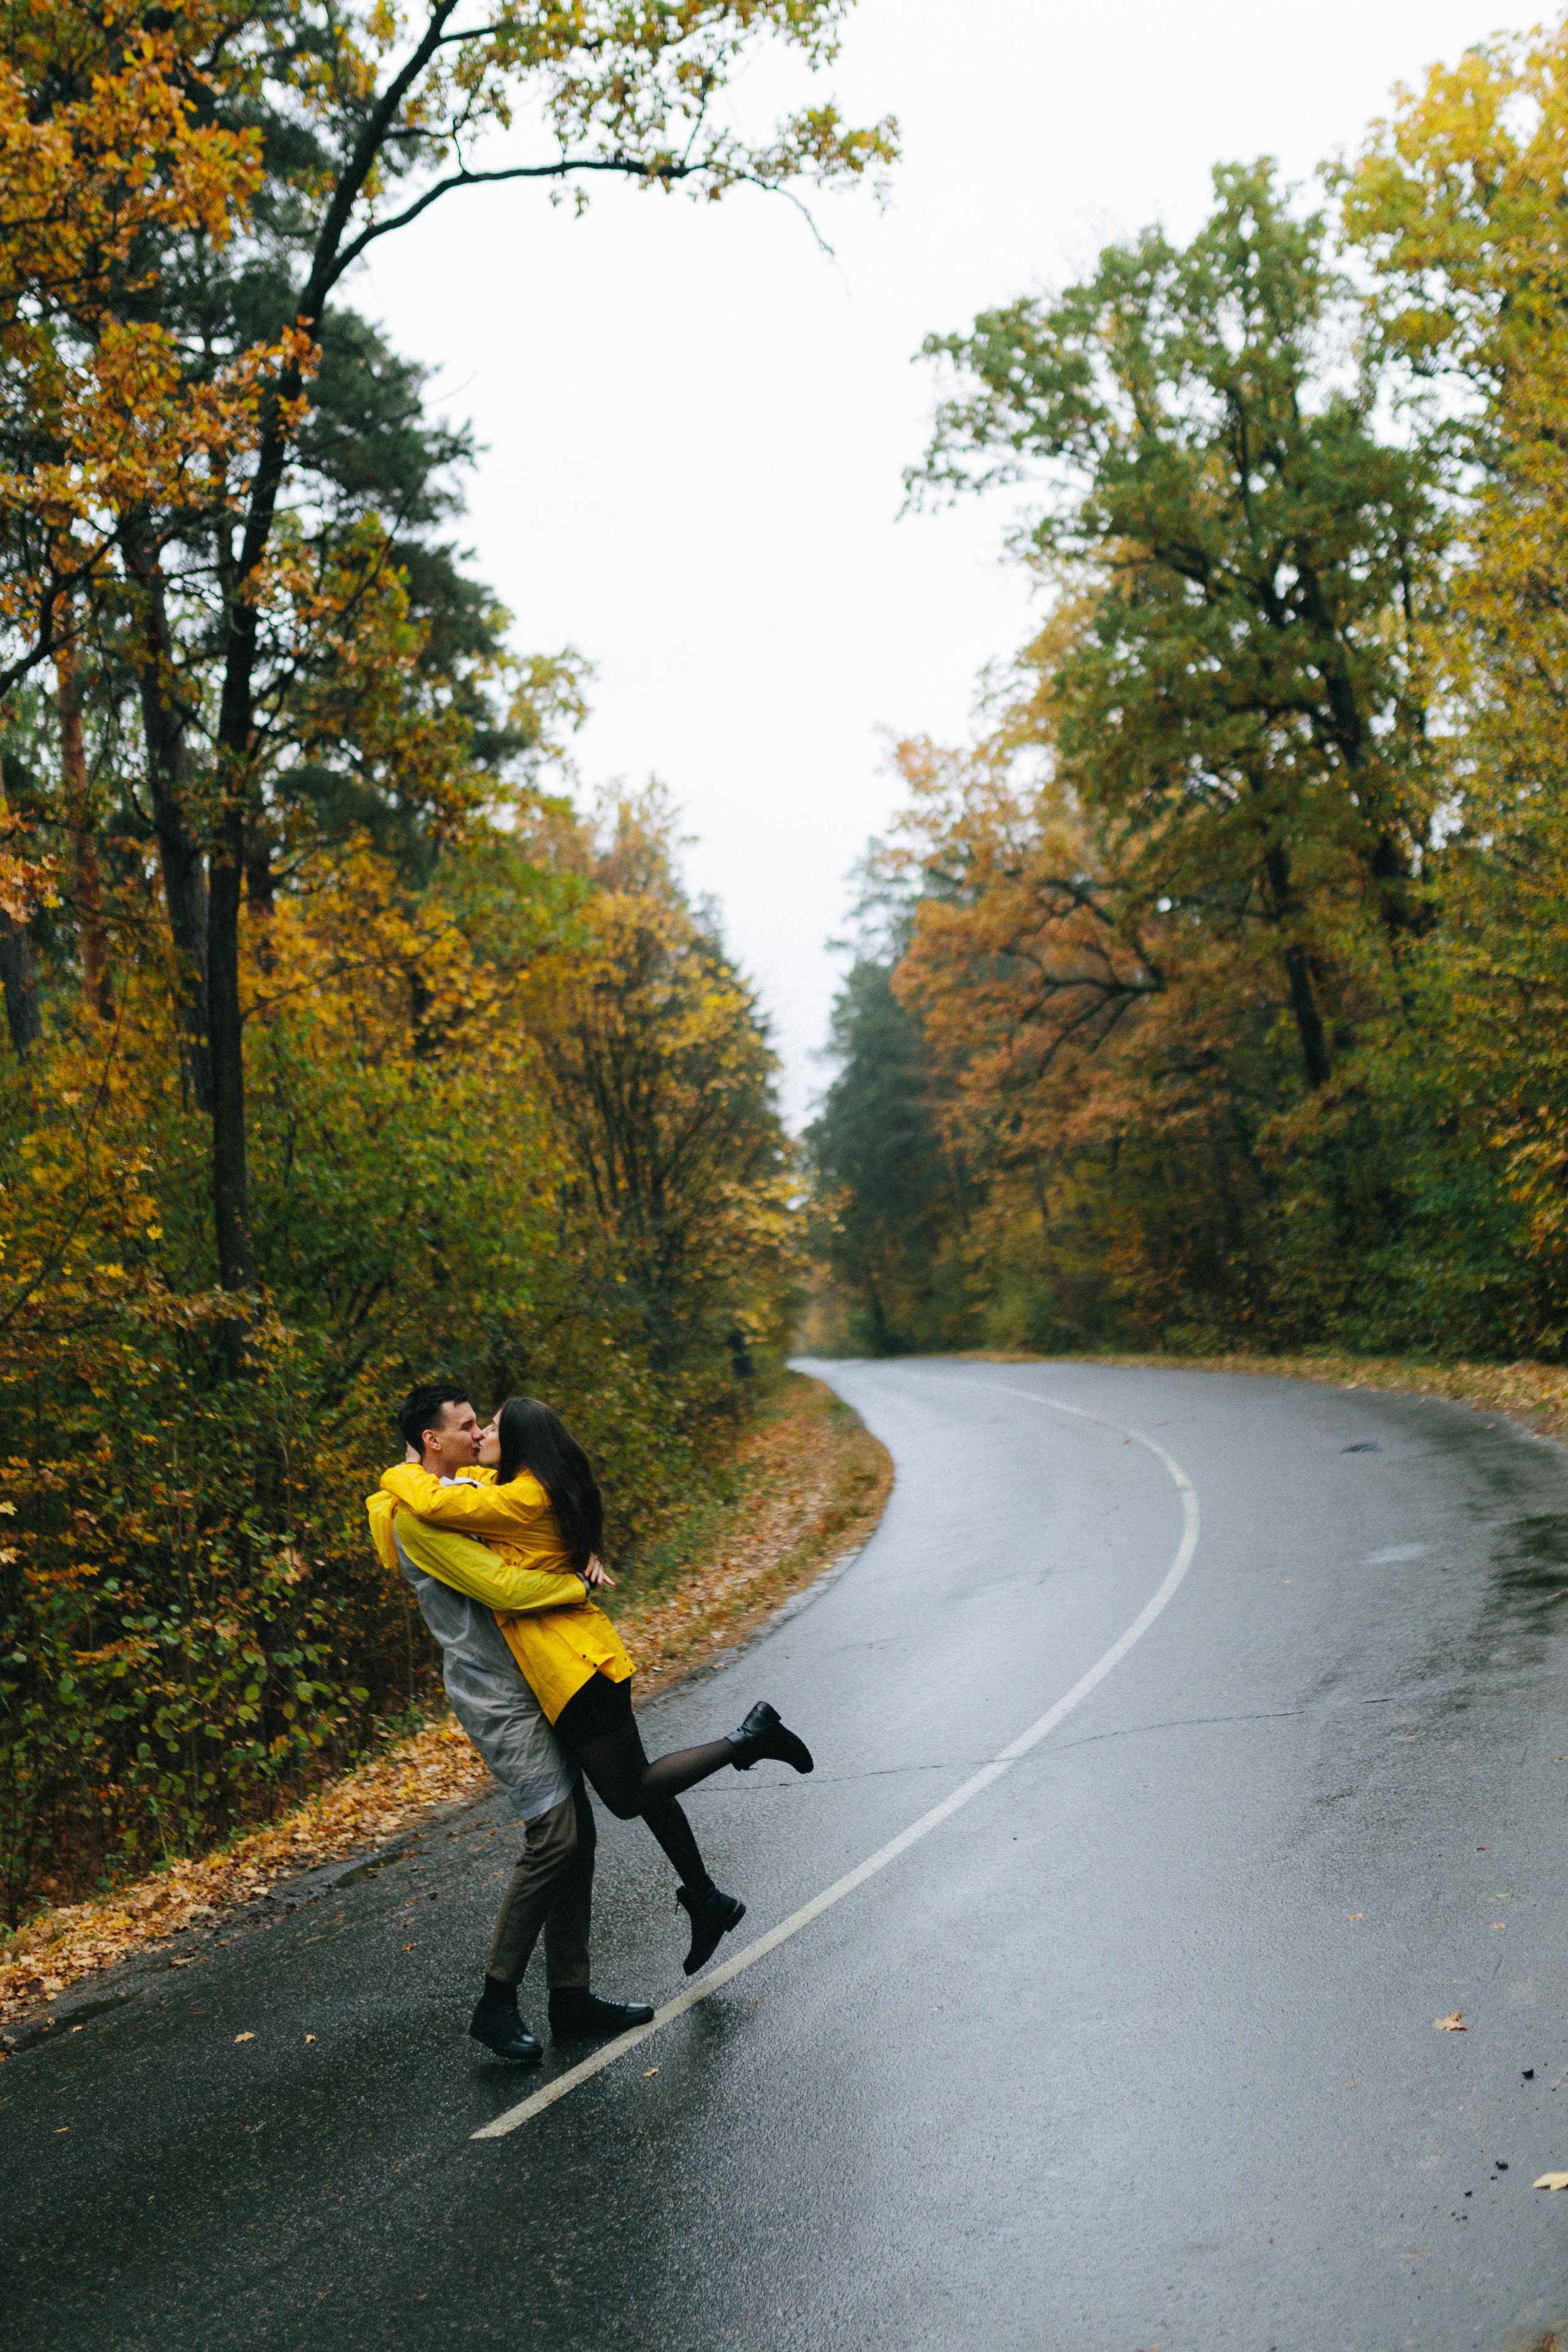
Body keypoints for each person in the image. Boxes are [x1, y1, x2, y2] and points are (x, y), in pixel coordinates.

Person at [377, 1392, 815, 1978]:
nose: (480, 1436)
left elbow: (440, 1513)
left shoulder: (518, 1496)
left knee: (631, 1793)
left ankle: (750, 1740)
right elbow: (464, 1507)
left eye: (491, 1428)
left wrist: (395, 1473)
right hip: (582, 1659)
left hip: (571, 1665)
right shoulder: (527, 1489)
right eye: (471, 1426)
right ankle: (705, 1897)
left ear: (523, 1445)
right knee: (642, 1781)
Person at [365, 1382, 655, 2067]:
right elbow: (505, 1587)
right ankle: (495, 2003)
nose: (480, 1435)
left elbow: (529, 1520)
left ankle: (572, 1998)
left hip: (535, 1676)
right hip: (496, 1694)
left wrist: (577, 1550)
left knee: (579, 1834)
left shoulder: (460, 1488)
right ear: (432, 1440)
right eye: (467, 1426)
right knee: (554, 1835)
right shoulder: (418, 1520)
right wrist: (575, 1584)